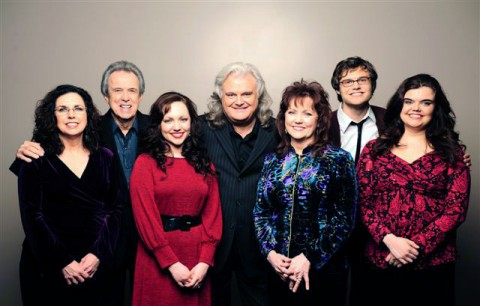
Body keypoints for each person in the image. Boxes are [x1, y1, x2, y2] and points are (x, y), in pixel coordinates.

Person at [11, 60, 149, 305]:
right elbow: (33, 204)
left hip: (140, 241)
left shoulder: (159, 128)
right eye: (117, 91)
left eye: (132, 91)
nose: (125, 98)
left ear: (141, 95)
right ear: (106, 97)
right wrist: (23, 152)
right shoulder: (89, 128)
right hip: (86, 252)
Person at [356, 74, 470, 306]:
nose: (415, 108)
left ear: (436, 108)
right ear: (400, 105)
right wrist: (389, 240)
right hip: (382, 258)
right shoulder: (373, 150)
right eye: (409, 101)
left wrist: (414, 247)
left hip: (433, 264)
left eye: (425, 102)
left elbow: (456, 210)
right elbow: (361, 202)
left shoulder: (452, 154)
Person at [16, 84, 123, 306]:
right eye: (63, 109)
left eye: (78, 108)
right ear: (51, 115)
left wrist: (97, 255)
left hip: (97, 266)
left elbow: (118, 209)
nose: (71, 114)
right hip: (48, 268)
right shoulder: (34, 157)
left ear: (89, 114)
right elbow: (32, 215)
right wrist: (63, 262)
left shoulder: (106, 157)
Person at [253, 80, 357, 306]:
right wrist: (270, 253)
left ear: (319, 119)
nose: (298, 120)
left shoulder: (338, 160)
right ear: (283, 117)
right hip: (280, 269)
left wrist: (310, 256)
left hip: (323, 271)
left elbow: (344, 219)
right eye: (292, 112)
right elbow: (261, 212)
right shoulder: (273, 161)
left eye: (307, 113)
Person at [129, 92, 222, 306]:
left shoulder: (205, 166)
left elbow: (213, 217)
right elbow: (145, 219)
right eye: (168, 120)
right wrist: (171, 263)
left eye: (183, 119)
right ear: (158, 125)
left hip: (196, 259)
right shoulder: (145, 164)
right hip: (157, 259)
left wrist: (205, 262)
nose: (177, 126)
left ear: (192, 123)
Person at [201, 62, 277, 306]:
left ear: (259, 96)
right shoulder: (200, 129)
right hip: (212, 243)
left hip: (259, 245)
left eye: (246, 94)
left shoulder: (277, 130)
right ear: (220, 97)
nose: (239, 101)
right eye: (231, 94)